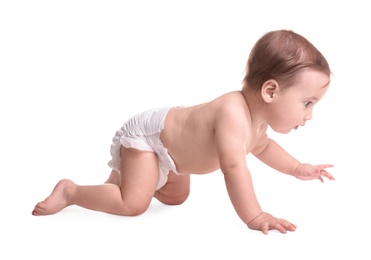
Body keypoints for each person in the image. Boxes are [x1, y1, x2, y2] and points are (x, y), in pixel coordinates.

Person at [32, 29, 335, 234]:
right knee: (133, 204)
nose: (309, 115)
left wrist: (297, 168)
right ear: (270, 91)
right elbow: (233, 168)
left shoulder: (257, 124)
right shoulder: (232, 113)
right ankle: (71, 191)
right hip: (151, 139)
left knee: (177, 197)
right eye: (307, 103)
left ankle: (128, 180)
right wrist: (254, 216)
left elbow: (264, 148)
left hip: (173, 155)